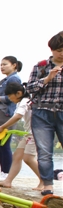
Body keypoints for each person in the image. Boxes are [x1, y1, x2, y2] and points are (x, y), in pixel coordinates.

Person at [26, 31, 63, 196]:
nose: (62, 53)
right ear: (52, 49)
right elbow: (29, 89)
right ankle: (48, 185)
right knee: (44, 151)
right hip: (42, 112)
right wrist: (47, 78)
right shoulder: (41, 67)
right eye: (59, 50)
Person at [0, 82, 42, 190]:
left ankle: (44, 181)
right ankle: (7, 181)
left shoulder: (25, 101)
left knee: (28, 158)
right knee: (17, 156)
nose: (9, 99)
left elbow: (17, 116)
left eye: (10, 96)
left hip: (34, 133)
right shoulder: (27, 100)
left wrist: (2, 127)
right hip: (29, 133)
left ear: (18, 93)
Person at [0, 57, 23, 174]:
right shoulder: (7, 79)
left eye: (5, 64)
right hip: (2, 113)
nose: (2, 67)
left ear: (14, 65)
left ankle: (6, 172)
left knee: (3, 144)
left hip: (7, 114)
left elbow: (13, 97)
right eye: (1, 65)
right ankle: (4, 171)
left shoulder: (14, 79)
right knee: (0, 145)